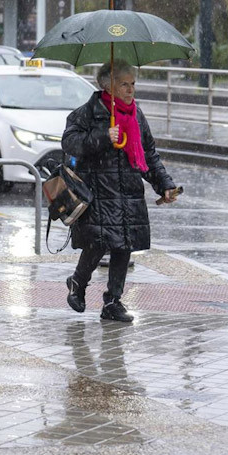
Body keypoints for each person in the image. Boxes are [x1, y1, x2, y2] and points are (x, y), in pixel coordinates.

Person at [62, 59, 179, 323]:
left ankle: (113, 301)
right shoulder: (88, 113)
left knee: (124, 245)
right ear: (107, 85)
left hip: (129, 192)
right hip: (98, 191)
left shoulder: (136, 114)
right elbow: (70, 143)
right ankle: (78, 282)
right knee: (98, 242)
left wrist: (165, 185)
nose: (130, 90)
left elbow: (148, 155)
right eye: (124, 84)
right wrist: (104, 136)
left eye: (132, 84)